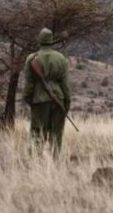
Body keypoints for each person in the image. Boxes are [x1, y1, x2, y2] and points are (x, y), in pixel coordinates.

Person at [23, 28, 71, 157]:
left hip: (39, 100)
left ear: (39, 41)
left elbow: (29, 84)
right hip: (58, 99)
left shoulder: (31, 58)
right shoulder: (61, 58)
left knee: (37, 133)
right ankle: (55, 162)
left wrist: (29, 100)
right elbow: (65, 84)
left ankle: (36, 162)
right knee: (56, 134)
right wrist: (66, 103)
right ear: (51, 42)